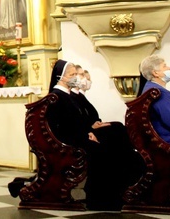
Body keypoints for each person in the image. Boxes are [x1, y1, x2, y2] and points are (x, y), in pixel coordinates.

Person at [46, 60, 129, 210]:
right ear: (60, 77)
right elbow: (64, 125)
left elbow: (77, 120)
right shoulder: (57, 96)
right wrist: (86, 134)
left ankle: (117, 190)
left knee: (114, 133)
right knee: (102, 150)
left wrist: (88, 131)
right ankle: (99, 197)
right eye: (72, 75)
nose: (76, 78)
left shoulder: (68, 95)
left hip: (78, 135)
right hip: (68, 140)